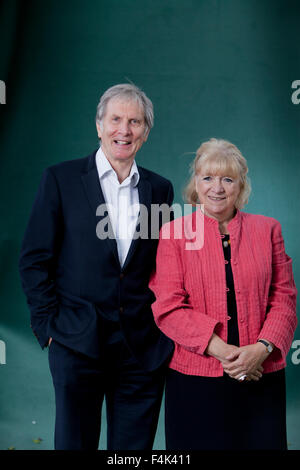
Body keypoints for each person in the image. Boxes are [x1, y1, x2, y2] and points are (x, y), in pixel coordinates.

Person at [19, 83, 174, 450]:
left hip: (140, 348)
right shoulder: (61, 179)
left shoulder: (160, 190)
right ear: (99, 126)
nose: (125, 130)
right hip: (76, 341)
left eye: (135, 121)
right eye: (116, 119)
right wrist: (48, 326)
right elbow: (34, 259)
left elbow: (163, 265)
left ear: (146, 132)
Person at [149, 138, 297, 450]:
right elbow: (169, 308)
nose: (217, 188)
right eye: (208, 178)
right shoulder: (173, 233)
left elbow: (284, 298)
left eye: (227, 179)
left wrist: (260, 350)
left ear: (240, 185)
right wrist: (227, 354)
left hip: (261, 374)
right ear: (196, 183)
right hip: (195, 381)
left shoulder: (268, 229)